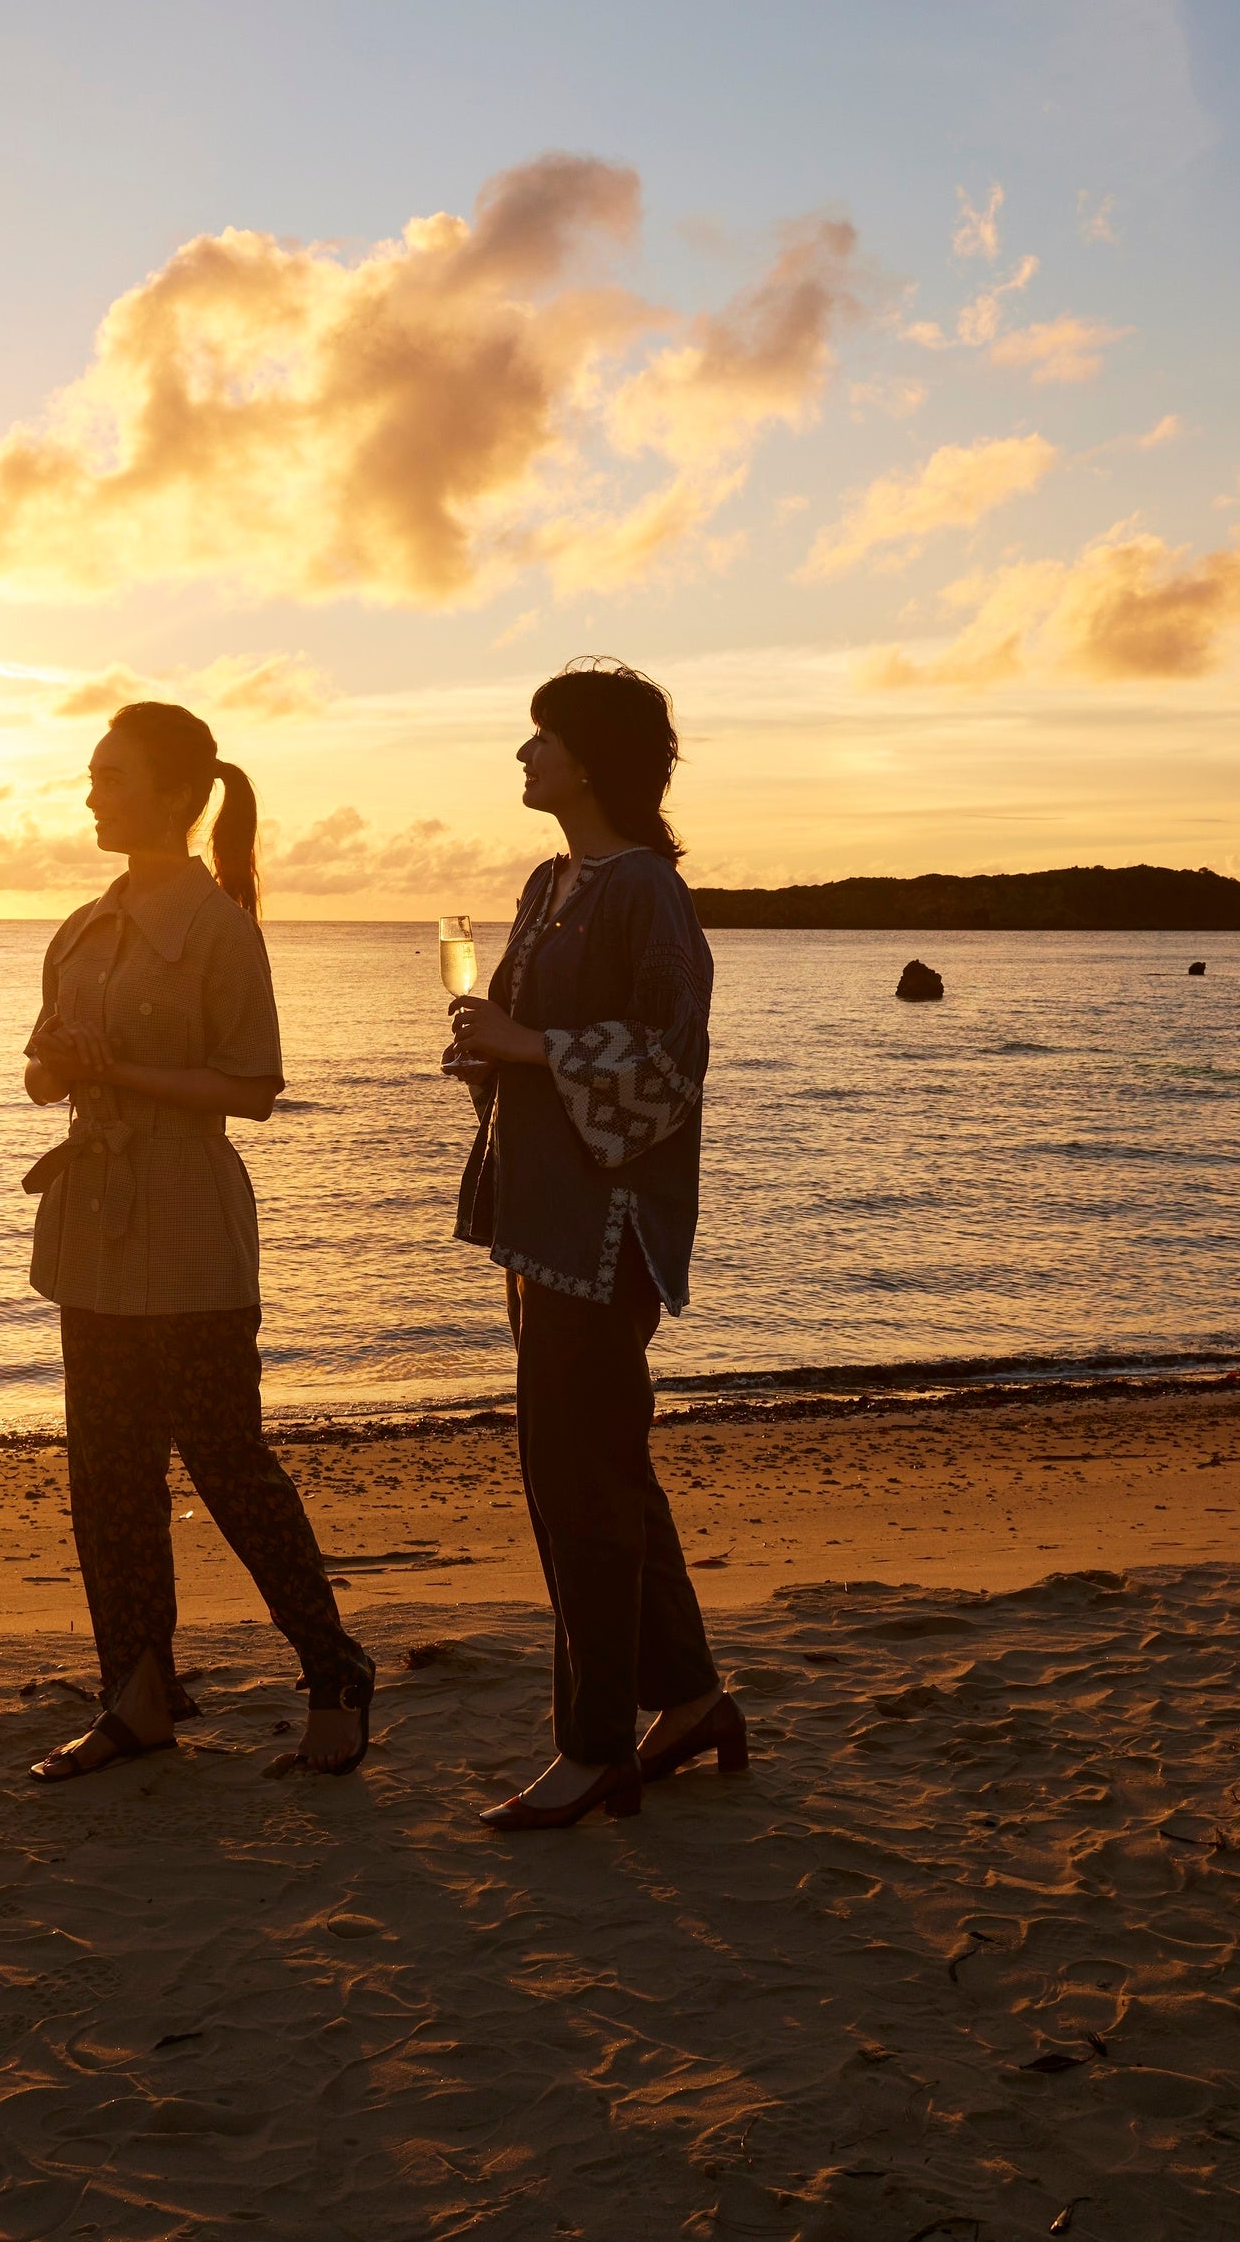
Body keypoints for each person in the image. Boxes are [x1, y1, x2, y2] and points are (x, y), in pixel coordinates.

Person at [21, 701, 375, 1784]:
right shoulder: (81, 925)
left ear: (178, 795)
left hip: (187, 1227)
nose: (92, 793)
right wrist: (67, 1063)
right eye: (91, 775)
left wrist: (116, 1070)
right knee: (107, 1473)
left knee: (229, 1465)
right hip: (91, 1226)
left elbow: (254, 1090)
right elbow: (39, 1077)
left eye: (112, 776)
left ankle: (335, 1671)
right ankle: (135, 1695)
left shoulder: (221, 928)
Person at [447, 659, 743, 1832]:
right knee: (605, 1469)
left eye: (542, 738)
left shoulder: (646, 896)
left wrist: (530, 1049)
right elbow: (523, 1030)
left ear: (593, 757)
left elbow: (671, 1060)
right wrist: (492, 1054)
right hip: (537, 1216)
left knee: (578, 1483)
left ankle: (593, 1747)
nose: (524, 756)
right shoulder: (547, 880)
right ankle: (693, 1700)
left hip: (605, 1232)